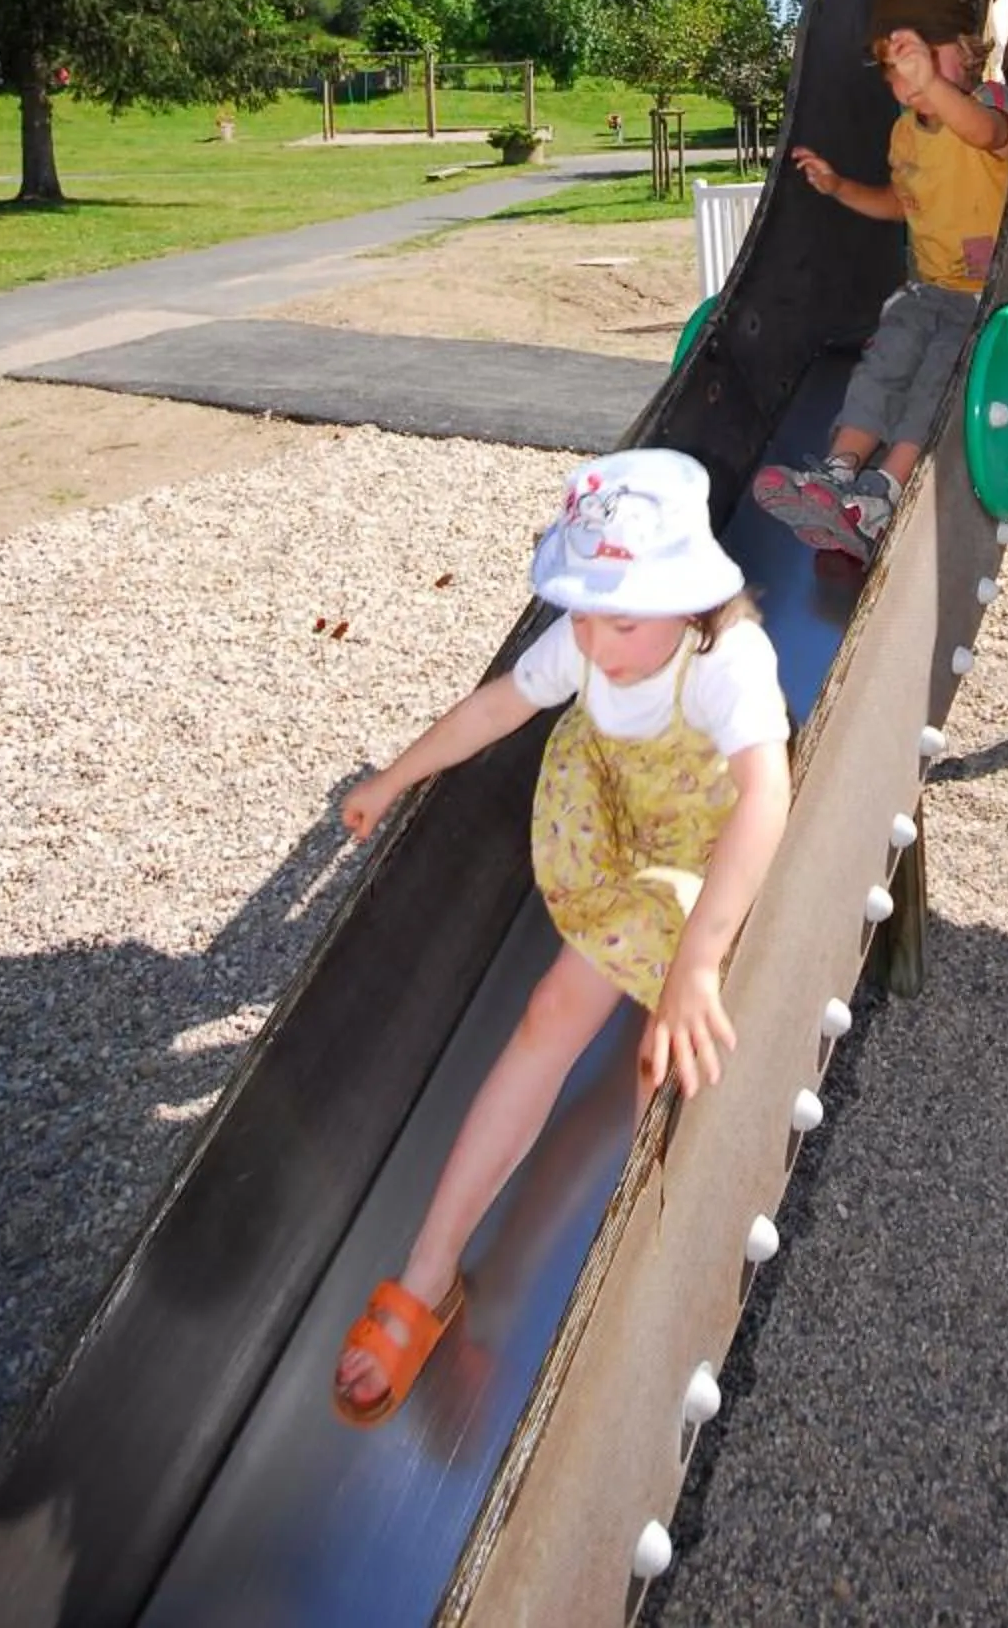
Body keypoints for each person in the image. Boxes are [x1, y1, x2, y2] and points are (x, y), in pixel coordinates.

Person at [330, 448, 790, 1426]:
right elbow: (493, 708)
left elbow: (765, 795)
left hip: (698, 852)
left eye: (619, 618)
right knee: (552, 1013)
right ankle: (429, 1267)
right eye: (581, 610)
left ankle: (555, 1266)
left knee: (597, 1026)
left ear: (686, 601)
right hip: (615, 821)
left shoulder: (726, 662)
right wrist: (393, 779)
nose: (595, 638)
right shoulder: (591, 641)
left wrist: (700, 960)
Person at [754, 0, 1008, 562]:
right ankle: (838, 473)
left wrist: (935, 84)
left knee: (932, 384)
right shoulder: (903, 133)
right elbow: (903, 202)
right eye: (898, 68)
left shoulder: (990, 108)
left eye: (924, 56)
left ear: (968, 53)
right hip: (926, 291)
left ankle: (883, 491)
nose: (910, 77)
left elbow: (986, 135)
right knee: (882, 368)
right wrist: (842, 186)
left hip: (983, 306)